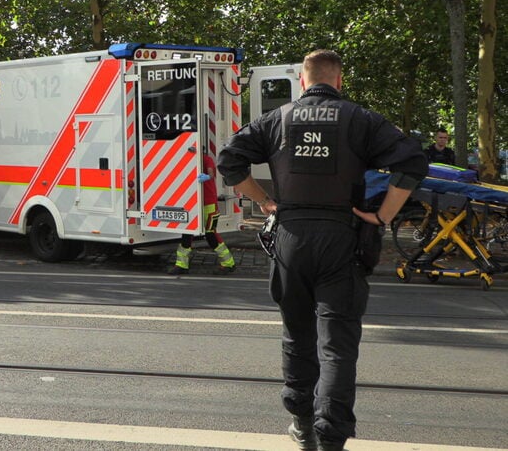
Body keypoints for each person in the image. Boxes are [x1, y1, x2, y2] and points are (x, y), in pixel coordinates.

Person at [217, 50, 427, 451]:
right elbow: (413, 162)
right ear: (339, 80)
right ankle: (331, 439)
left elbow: (229, 161)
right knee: (337, 346)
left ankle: (302, 425)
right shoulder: (360, 120)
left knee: (297, 336)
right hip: (341, 238)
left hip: (291, 238)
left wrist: (265, 201)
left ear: (302, 80)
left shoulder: (277, 120)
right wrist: (381, 216)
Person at [168, 153, 237, 276]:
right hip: (192, 201)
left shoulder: (206, 159)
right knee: (187, 233)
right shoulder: (189, 161)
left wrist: (207, 176)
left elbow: (211, 174)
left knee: (210, 233)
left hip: (208, 203)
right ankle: (182, 265)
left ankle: (228, 263)